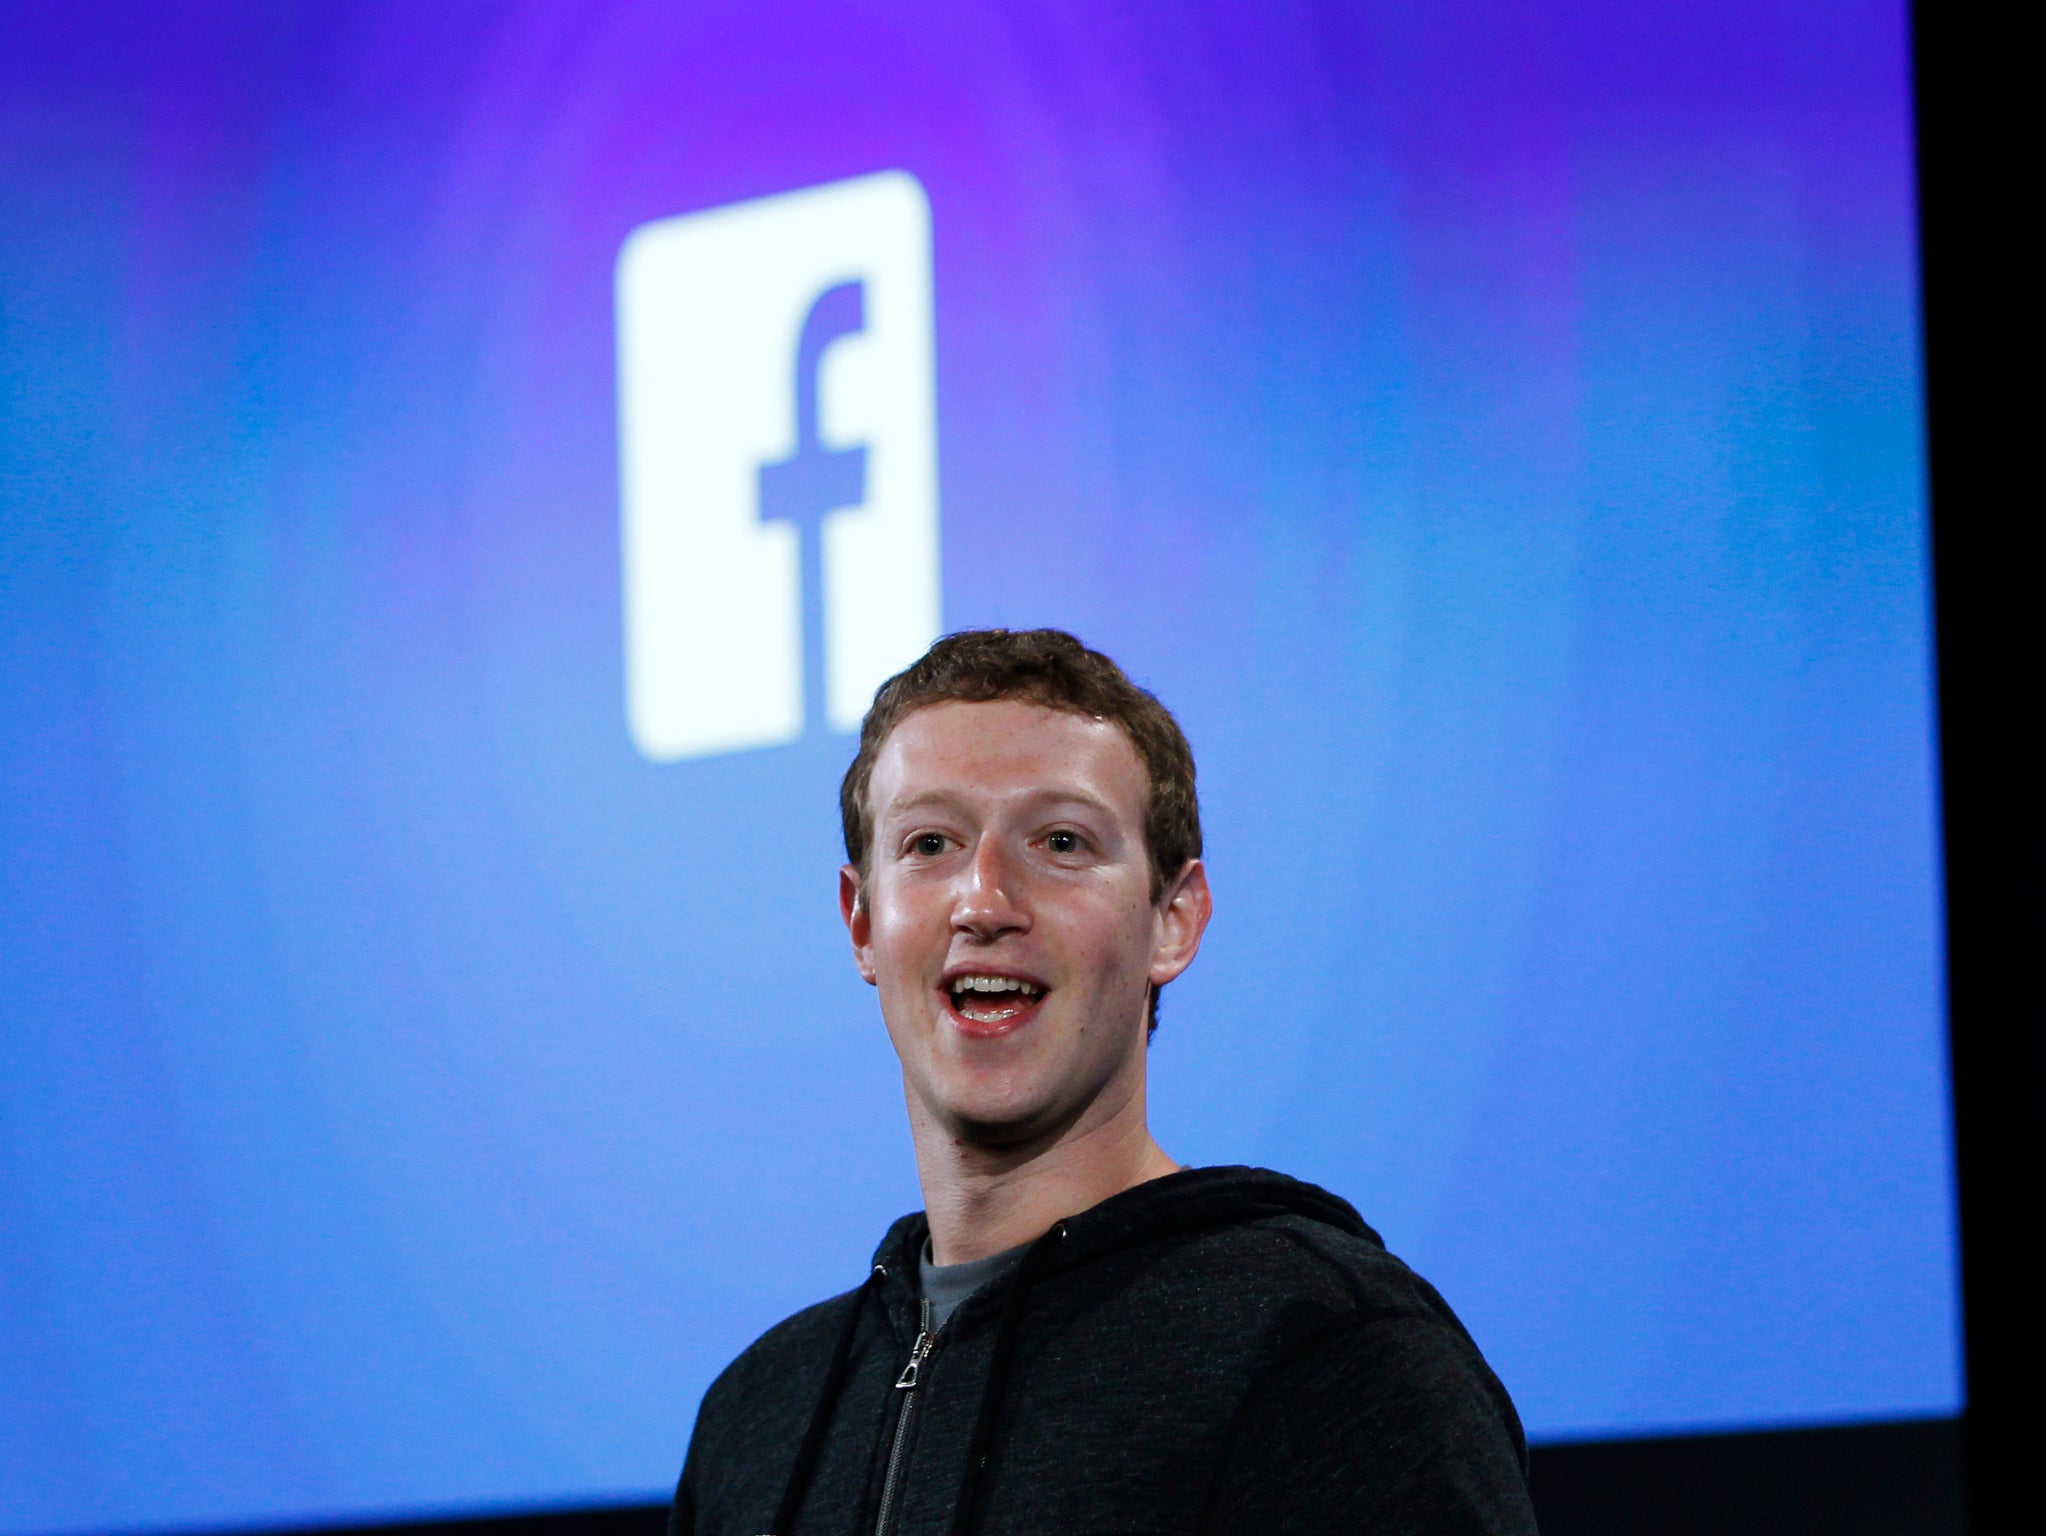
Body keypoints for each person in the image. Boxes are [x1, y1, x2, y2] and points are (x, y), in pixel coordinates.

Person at [673, 629, 1537, 1536]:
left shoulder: (1331, 1353)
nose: (984, 901)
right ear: (861, 923)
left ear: (1173, 919)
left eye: (1059, 840)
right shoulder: (757, 1417)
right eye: (930, 842)